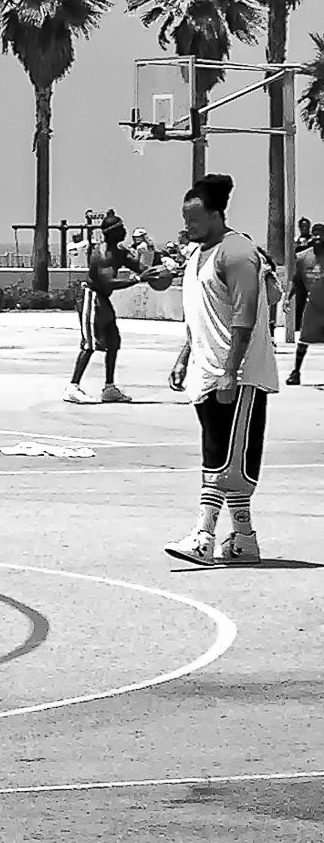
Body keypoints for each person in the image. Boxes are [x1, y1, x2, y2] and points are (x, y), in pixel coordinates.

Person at [163, 174, 280, 566]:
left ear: (216, 214)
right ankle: (244, 540)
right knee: (225, 455)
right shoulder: (197, 254)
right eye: (185, 218)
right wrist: (184, 355)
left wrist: (231, 371)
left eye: (195, 219)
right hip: (206, 369)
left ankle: (203, 535)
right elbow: (203, 315)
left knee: (221, 458)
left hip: (238, 374)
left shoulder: (238, 253)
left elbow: (244, 318)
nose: (188, 226)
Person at [66, 212, 149, 404]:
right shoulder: (100, 254)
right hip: (91, 297)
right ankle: (72, 387)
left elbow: (140, 267)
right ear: (112, 232)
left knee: (113, 341)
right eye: (121, 228)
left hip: (103, 299)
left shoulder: (120, 251)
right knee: (89, 344)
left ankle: (109, 388)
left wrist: (164, 273)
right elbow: (109, 282)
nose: (125, 231)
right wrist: (136, 280)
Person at [293, 229, 324, 386]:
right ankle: (296, 372)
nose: (318, 238)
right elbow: (296, 279)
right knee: (304, 339)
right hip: (313, 304)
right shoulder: (303, 257)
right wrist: (288, 297)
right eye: (316, 235)